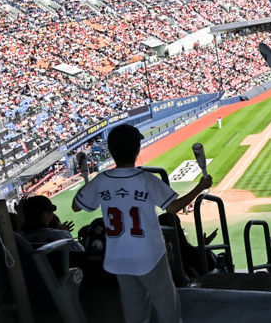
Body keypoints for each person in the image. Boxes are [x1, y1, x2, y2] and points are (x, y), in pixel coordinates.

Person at [72, 124, 212, 323]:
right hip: (150, 255)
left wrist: (88, 186)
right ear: (137, 150)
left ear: (111, 151)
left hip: (118, 258)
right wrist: (200, 186)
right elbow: (173, 208)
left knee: (134, 311)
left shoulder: (101, 180)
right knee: (166, 306)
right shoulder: (146, 179)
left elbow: (77, 206)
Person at [19, 195, 83, 250]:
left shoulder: (20, 239)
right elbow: (80, 251)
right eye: (50, 211)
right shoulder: (61, 235)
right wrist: (64, 233)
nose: (52, 213)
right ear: (45, 214)